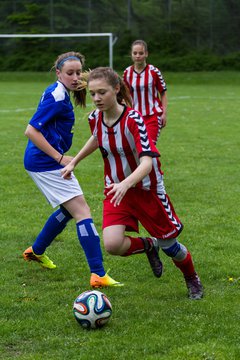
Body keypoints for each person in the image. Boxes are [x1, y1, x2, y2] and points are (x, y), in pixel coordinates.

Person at [61, 67, 203, 300]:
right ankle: (148, 245)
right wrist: (74, 162)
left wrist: (126, 183)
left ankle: (191, 278)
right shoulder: (94, 118)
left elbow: (147, 162)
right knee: (113, 245)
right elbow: (98, 137)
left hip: (147, 190)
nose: (96, 98)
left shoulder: (133, 120)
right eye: (93, 93)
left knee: (171, 246)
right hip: (117, 190)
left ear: (116, 89)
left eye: (102, 93)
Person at [22, 52, 122, 288]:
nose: (76, 77)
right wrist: (59, 158)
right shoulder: (56, 96)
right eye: (70, 73)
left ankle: (36, 251)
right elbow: (31, 131)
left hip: (44, 161)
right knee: (82, 212)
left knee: (69, 209)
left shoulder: (60, 91)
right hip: (45, 162)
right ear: (58, 73)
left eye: (78, 72)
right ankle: (97, 274)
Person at [123, 39, 167, 144]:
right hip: (134, 117)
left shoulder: (154, 72)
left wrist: (164, 113)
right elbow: (125, 94)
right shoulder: (127, 73)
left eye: (141, 53)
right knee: (136, 149)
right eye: (135, 53)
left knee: (149, 147)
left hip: (153, 116)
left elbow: (163, 93)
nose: (138, 56)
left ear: (146, 54)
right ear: (131, 54)